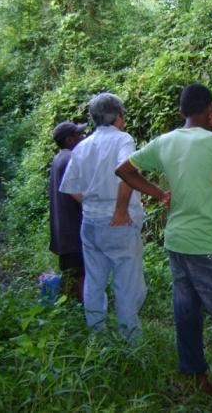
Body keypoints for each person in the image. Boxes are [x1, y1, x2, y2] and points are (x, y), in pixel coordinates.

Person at [115, 83, 212, 400]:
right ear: (210, 109)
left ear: (181, 111)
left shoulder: (164, 141)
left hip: (175, 241)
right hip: (207, 244)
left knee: (187, 312)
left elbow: (124, 170)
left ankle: (196, 378)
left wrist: (159, 194)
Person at [59, 93, 147, 342]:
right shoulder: (123, 140)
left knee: (94, 281)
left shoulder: (82, 146)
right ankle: (130, 341)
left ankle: (97, 337)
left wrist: (92, 204)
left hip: (90, 223)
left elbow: (69, 187)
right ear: (119, 116)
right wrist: (119, 210)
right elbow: (127, 174)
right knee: (127, 284)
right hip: (118, 223)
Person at [49, 121, 87, 302]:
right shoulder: (70, 158)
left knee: (71, 271)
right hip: (73, 228)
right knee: (79, 273)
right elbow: (77, 192)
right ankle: (82, 309)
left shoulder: (59, 158)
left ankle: (68, 307)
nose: (83, 138)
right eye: (80, 135)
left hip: (63, 228)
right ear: (69, 139)